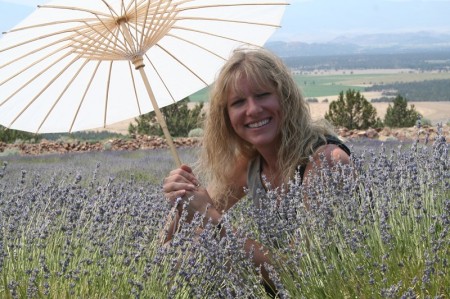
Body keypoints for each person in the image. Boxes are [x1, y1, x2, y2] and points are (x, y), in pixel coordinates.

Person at [162, 47, 351, 294]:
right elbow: (165, 247)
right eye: (238, 102)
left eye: (262, 95)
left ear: (285, 98)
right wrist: (181, 201)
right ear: (227, 116)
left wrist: (210, 218)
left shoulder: (326, 162)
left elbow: (304, 272)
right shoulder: (250, 163)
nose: (252, 110)